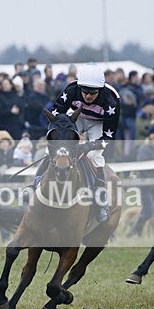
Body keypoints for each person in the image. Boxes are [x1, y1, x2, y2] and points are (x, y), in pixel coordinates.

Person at [51, 63, 120, 223]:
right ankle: (36, 183)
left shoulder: (112, 100)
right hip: (77, 117)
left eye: (93, 92)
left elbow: (108, 137)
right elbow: (56, 116)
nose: (88, 96)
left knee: (96, 156)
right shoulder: (70, 89)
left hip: (99, 123)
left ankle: (100, 198)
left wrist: (90, 145)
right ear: (79, 87)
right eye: (85, 91)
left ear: (100, 90)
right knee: (56, 149)